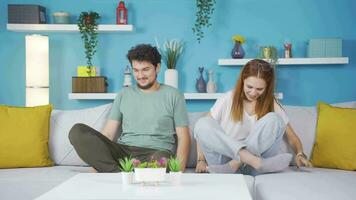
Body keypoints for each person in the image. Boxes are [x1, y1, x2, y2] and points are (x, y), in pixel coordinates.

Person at [69, 44, 190, 172]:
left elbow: (183, 137)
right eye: (136, 70)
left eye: (145, 69)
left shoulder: (174, 95)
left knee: (162, 161)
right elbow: (108, 133)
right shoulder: (123, 94)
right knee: (77, 131)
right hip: (124, 152)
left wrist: (179, 172)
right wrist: (98, 160)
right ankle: (120, 172)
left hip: (156, 152)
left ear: (157, 67)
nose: (140, 75)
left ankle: (118, 172)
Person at [194, 59, 312, 175]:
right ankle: (250, 160)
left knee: (275, 119)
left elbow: (292, 137)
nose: (253, 93)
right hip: (226, 162)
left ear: (267, 87)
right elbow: (202, 134)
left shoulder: (272, 103)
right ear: (243, 80)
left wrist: (300, 154)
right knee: (202, 123)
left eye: (259, 89)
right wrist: (201, 160)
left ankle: (237, 163)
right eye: (249, 87)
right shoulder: (228, 98)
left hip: (251, 165)